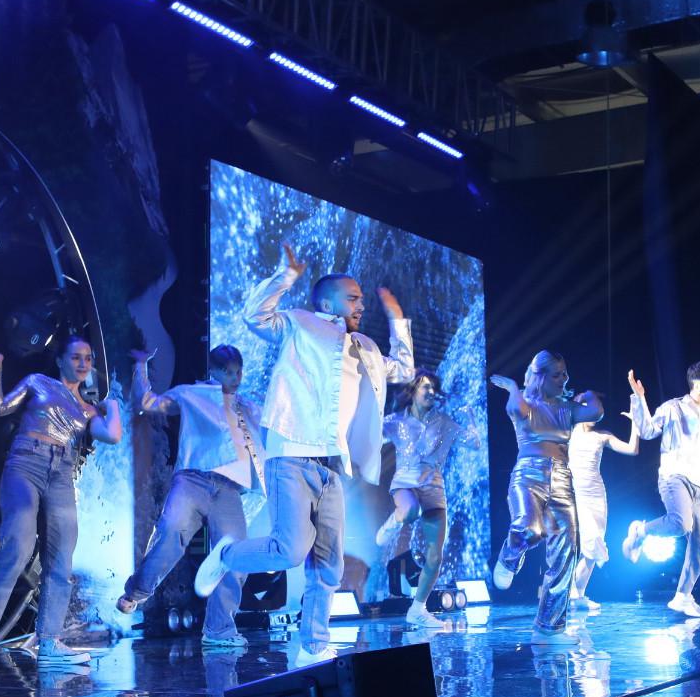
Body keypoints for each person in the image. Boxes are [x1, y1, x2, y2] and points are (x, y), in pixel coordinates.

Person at [192, 245, 413, 661]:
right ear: (326, 303)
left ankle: (313, 646)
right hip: (291, 454)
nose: (361, 305)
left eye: (362, 299)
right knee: (290, 550)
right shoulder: (300, 324)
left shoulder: (366, 347)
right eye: (353, 298)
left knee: (328, 564)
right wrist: (286, 276)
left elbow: (403, 370)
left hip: (332, 467)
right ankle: (228, 554)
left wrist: (397, 319)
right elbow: (254, 315)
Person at [0, 337, 122, 667]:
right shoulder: (38, 382)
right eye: (76, 357)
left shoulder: (88, 409)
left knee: (61, 558)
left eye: (88, 358)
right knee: (18, 545)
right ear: (60, 360)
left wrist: (114, 407)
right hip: (26, 463)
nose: (83, 363)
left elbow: (112, 435)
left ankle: (49, 641)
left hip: (62, 473)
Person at [120, 344, 263, 650]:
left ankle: (219, 630)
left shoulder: (248, 407)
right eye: (228, 372)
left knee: (235, 559)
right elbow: (147, 402)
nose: (235, 378)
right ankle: (136, 592)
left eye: (238, 372)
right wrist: (141, 366)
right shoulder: (192, 393)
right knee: (170, 535)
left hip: (228, 490)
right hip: (192, 480)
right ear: (213, 371)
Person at [490, 352, 603, 644]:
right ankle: (508, 558)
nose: (564, 379)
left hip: (563, 480)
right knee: (529, 528)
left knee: (566, 552)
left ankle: (548, 628)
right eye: (556, 374)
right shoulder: (525, 404)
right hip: (529, 476)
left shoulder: (567, 408)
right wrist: (513, 387)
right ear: (540, 377)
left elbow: (596, 412)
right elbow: (515, 407)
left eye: (565, 373)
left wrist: (588, 394)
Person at [622, 362, 700, 618]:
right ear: (697, 384)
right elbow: (647, 430)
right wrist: (639, 398)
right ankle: (641, 530)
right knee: (681, 523)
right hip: (674, 477)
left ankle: (682, 596)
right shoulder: (673, 408)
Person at [376, 370, 478, 627]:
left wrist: (469, 416)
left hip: (433, 487)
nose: (431, 391)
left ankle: (418, 609)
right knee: (410, 509)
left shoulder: (444, 422)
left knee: (435, 556)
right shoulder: (397, 421)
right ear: (412, 391)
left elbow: (474, 443)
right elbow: (372, 437)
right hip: (406, 483)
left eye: (434, 388)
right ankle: (393, 522)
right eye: (425, 387)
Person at [566, 394, 640, 611]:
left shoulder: (602, 436)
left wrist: (636, 423)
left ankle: (578, 594)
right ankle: (570, 592)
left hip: (596, 495)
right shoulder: (566, 433)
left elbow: (632, 449)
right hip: (572, 493)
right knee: (584, 543)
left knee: (594, 545)